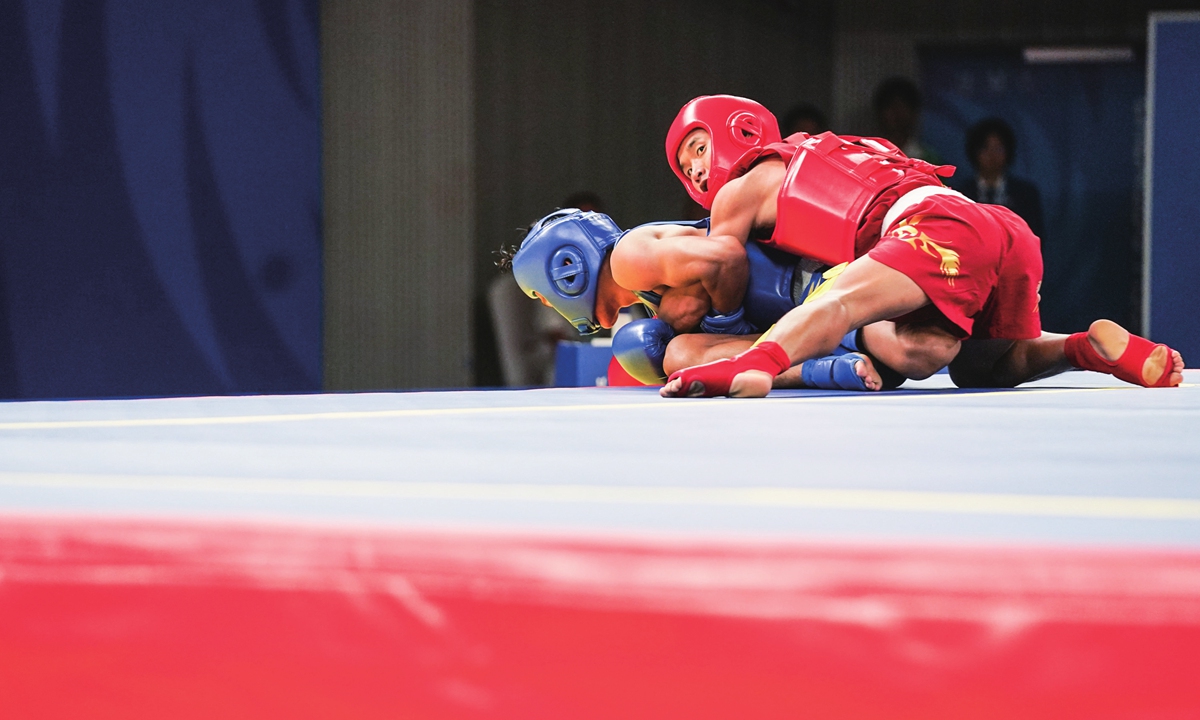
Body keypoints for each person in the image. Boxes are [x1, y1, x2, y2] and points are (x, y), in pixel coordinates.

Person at [659, 95, 1184, 397]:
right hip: (996, 227)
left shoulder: (739, 191)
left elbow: (715, 265)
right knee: (980, 368)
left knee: (838, 304)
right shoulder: (832, 146)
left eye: (699, 149)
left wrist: (702, 325)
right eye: (687, 168)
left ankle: (755, 367)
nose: (699, 171)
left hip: (929, 225)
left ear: (740, 131)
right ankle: (1082, 348)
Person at [498, 209, 910, 391]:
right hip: (813, 318)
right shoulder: (644, 292)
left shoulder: (629, 259)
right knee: (676, 357)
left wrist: (724, 322)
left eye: (545, 297)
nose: (550, 307)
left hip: (823, 289)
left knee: (678, 353)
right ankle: (823, 368)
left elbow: (727, 256)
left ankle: (834, 358)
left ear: (566, 272)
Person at [953, 117, 1045, 240]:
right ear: (974, 152)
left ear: (1008, 152)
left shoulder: (1025, 194)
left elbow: (1035, 237)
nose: (992, 155)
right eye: (985, 148)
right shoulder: (961, 194)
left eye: (999, 148)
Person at [872, 77, 942, 164]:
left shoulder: (928, 158)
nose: (897, 113)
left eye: (902, 107)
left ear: (914, 113)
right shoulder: (867, 155)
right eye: (892, 107)